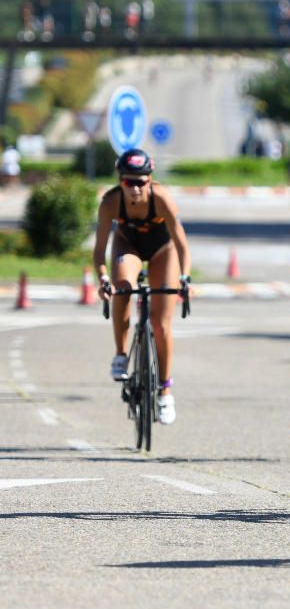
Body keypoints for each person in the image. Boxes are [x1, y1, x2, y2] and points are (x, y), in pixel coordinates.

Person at [93, 148, 191, 425]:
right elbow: (99, 250)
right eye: (129, 181)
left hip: (163, 250)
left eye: (141, 181)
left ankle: (165, 392)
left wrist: (185, 278)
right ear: (119, 180)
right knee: (122, 286)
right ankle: (121, 354)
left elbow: (181, 244)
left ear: (150, 180)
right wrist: (102, 279)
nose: (135, 188)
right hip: (129, 246)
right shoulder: (110, 202)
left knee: (161, 325)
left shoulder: (162, 200)